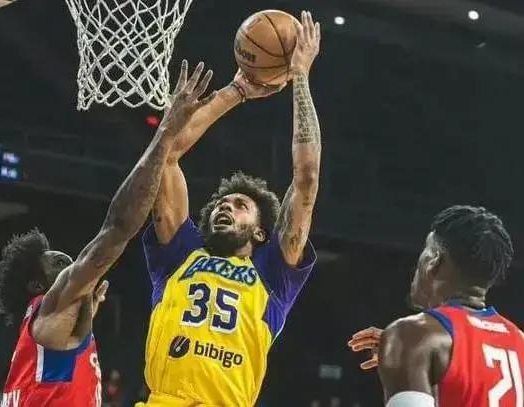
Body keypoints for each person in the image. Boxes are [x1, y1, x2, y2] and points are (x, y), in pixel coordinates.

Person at [0, 61, 216, 407]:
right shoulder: (51, 309)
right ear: (38, 287)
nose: (70, 263)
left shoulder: (44, 339)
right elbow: (117, 228)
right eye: (59, 265)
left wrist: (85, 314)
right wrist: (165, 133)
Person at [138, 11, 322, 407]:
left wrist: (300, 76)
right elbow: (166, 155)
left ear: (260, 231)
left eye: (240, 206)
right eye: (222, 203)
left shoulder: (273, 275)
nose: (226, 207)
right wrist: (236, 91)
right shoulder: (180, 253)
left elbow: (306, 179)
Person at [348, 205, 520, 406]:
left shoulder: (413, 335)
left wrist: (409, 345)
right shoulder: (519, 340)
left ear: (433, 259)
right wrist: (418, 357)